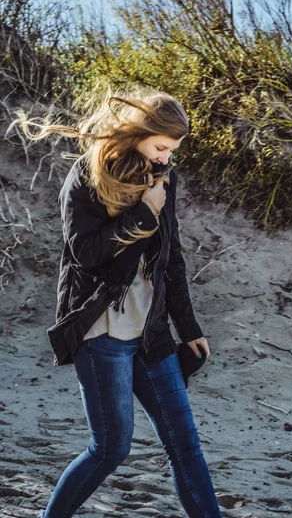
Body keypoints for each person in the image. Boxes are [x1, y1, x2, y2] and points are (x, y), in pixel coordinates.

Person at [10, 87, 223, 518]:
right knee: (110, 448)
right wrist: (143, 215)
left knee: (185, 444)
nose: (166, 157)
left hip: (152, 331)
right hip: (100, 333)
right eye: (161, 146)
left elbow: (172, 257)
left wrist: (190, 326)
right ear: (138, 133)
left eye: (173, 150)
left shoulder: (164, 178)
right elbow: (85, 253)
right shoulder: (88, 176)